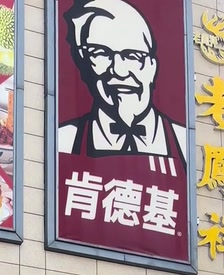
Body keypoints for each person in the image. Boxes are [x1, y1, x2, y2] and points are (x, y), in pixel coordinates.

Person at [59, 0, 187, 163]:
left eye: (132, 56)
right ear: (84, 64)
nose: (119, 71)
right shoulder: (65, 141)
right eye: (101, 54)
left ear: (152, 67)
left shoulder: (185, 144)